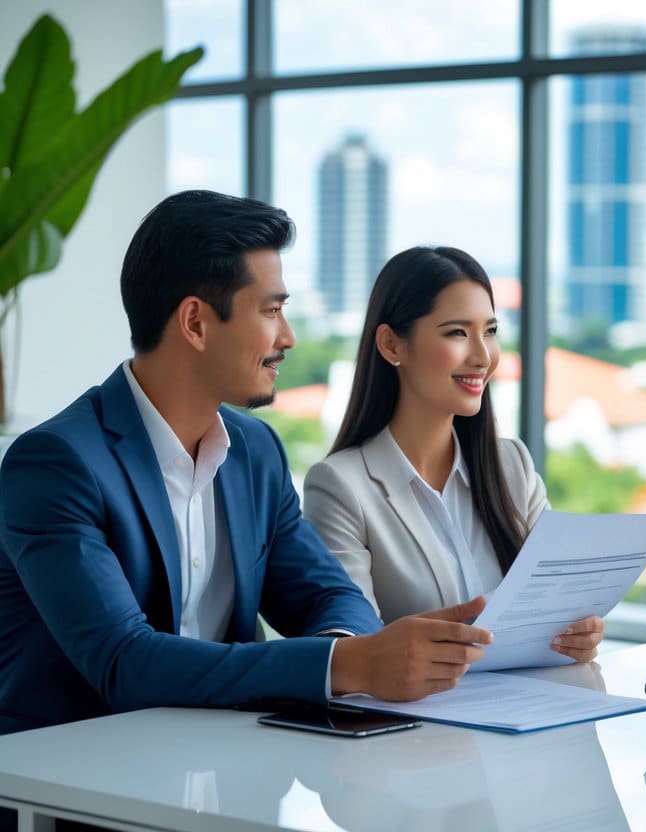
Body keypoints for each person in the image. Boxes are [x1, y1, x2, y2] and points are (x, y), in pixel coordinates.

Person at [0, 191, 493, 739]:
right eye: (271, 310)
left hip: (223, 766)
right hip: (66, 790)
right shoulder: (56, 465)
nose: (288, 337)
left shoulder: (254, 453)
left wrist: (354, 650)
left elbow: (329, 596)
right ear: (195, 323)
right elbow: (122, 661)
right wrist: (346, 666)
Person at [303, 245, 603, 664]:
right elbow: (358, 653)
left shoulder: (512, 465)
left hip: (529, 711)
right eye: (457, 333)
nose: (482, 356)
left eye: (491, 331)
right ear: (392, 345)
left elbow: (555, 607)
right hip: (419, 724)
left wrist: (577, 633)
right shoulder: (340, 487)